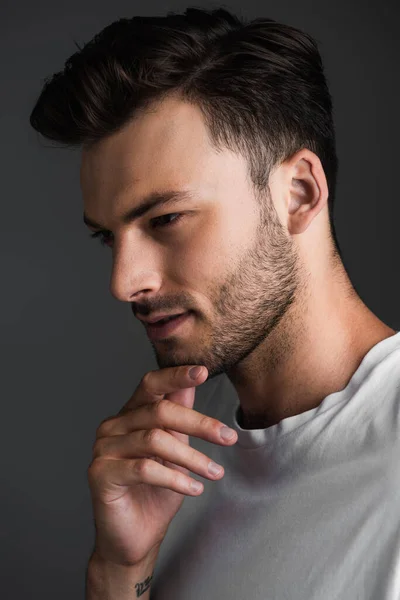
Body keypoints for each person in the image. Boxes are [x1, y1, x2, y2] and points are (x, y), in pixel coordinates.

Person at [29, 6, 399, 599]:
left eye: (166, 218)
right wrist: (120, 572)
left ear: (298, 194)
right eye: (108, 237)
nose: (124, 283)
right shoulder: (167, 459)